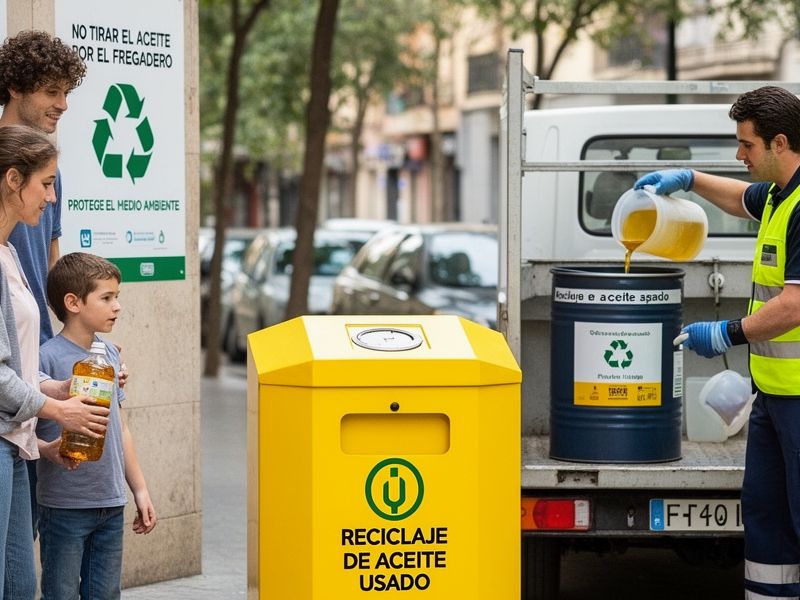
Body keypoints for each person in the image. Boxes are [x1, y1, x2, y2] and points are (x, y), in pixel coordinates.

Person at [634, 86, 800, 600]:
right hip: (774, 397)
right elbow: (737, 197)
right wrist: (687, 180)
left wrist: (726, 332)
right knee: (767, 514)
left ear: (778, 143)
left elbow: (795, 306)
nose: (739, 155)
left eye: (746, 146)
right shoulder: (778, 194)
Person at [0, 124, 109, 600]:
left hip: (14, 445)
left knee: (21, 589)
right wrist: (57, 412)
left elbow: (15, 366)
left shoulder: (9, 253)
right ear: (12, 180)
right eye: (45, 184)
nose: (50, 198)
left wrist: (57, 389)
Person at [37, 251, 156, 600]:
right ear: (72, 302)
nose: (116, 306)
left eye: (117, 297)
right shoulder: (46, 356)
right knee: (60, 593)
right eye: (106, 298)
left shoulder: (111, 355)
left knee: (105, 594)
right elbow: (26, 425)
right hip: (65, 505)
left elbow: (121, 428)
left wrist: (139, 490)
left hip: (110, 501)